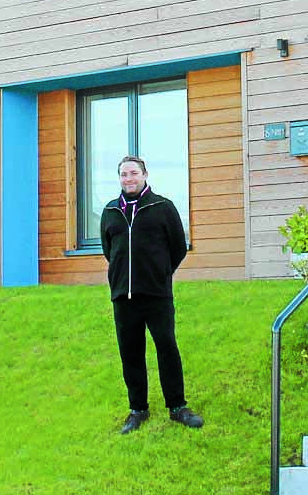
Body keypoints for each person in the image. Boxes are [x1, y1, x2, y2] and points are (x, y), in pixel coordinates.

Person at [100, 156, 204, 435]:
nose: (129, 178)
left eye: (133, 173)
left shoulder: (163, 207)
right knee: (130, 353)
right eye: (123, 174)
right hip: (123, 296)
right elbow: (109, 250)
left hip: (157, 295)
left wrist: (159, 274)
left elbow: (178, 248)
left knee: (167, 347)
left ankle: (177, 407)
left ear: (145, 174)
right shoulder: (111, 211)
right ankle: (137, 410)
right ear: (119, 178)